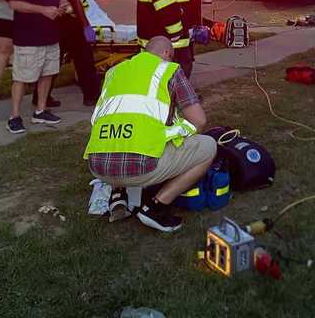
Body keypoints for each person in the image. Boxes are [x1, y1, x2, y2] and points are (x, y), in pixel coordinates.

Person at [84, 35, 216, 233]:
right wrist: (180, 142)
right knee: (208, 147)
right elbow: (199, 121)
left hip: (98, 165)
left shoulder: (114, 72)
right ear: (166, 54)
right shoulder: (169, 69)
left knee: (122, 139)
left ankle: (118, 193)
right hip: (141, 167)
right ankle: (156, 207)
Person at [6, 0, 64, 134]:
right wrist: (42, 10)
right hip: (28, 37)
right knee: (22, 77)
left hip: (50, 35)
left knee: (48, 73)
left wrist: (62, 6)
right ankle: (14, 116)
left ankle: (40, 110)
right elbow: (14, 3)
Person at [53, 0, 100, 107]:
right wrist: (86, 25)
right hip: (70, 20)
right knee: (84, 59)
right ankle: (92, 95)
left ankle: (40, 95)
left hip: (60, 18)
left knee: (54, 59)